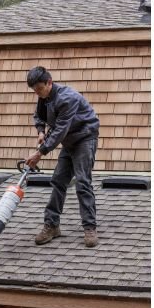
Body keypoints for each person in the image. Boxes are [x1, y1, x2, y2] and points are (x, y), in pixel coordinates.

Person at [25, 66, 100, 248]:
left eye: (39, 89)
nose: (37, 93)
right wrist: (41, 131)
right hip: (68, 140)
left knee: (82, 182)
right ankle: (52, 225)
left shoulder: (68, 98)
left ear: (49, 82)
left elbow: (60, 130)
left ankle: (89, 227)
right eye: (34, 91)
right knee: (58, 180)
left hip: (84, 138)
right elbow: (39, 116)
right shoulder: (44, 97)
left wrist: (39, 153)